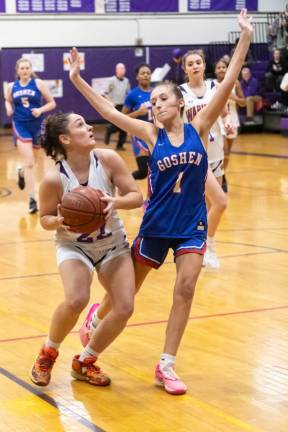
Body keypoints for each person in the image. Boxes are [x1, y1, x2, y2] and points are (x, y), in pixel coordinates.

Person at [69, 8, 253, 395]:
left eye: (161, 100)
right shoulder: (150, 134)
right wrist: (76, 79)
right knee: (124, 296)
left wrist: (246, 38)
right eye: (152, 101)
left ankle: (166, 364)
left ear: (178, 103)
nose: (155, 105)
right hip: (155, 226)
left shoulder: (199, 126)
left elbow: (230, 79)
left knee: (185, 290)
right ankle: (96, 316)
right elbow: (107, 111)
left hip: (191, 225)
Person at [30, 112, 143, 387]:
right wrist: (57, 221)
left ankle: (85, 360)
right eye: (81, 124)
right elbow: (44, 219)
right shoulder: (54, 179)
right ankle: (48, 353)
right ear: (65, 139)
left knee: (125, 306)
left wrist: (114, 202)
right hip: (74, 246)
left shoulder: (107, 160)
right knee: (76, 299)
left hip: (112, 244)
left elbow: (136, 196)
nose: (90, 126)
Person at [179, 50, 230, 268]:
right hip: (193, 152)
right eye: (190, 64)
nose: (195, 66)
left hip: (215, 148)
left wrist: (228, 123)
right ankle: (200, 245)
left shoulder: (215, 87)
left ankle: (208, 246)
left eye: (198, 62)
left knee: (214, 202)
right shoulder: (179, 92)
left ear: (203, 65)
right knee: (197, 201)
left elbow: (225, 112)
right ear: (185, 69)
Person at [4, 57, 56, 213]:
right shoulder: (11, 86)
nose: (25, 70)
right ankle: (32, 199)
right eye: (22, 68)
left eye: (27, 68)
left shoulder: (38, 84)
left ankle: (20, 171)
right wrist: (8, 108)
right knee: (30, 163)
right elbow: (7, 100)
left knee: (35, 160)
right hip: (20, 124)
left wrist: (40, 110)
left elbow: (52, 102)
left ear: (30, 70)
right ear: (18, 71)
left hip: (37, 125)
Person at [214, 58, 246, 192]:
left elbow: (243, 103)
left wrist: (234, 97)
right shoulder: (212, 85)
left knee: (227, 155)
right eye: (219, 67)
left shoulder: (235, 83)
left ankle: (223, 174)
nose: (221, 69)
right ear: (215, 71)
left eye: (223, 67)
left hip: (232, 120)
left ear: (227, 69)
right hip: (218, 121)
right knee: (223, 150)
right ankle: (219, 178)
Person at [122, 63, 152, 180]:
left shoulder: (156, 93)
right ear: (137, 77)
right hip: (139, 136)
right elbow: (122, 117)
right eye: (142, 73)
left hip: (154, 135)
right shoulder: (132, 95)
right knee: (143, 171)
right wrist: (138, 113)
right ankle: (123, 183)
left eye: (148, 73)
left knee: (157, 170)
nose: (145, 75)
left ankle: (153, 197)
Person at [103, 62, 131, 150]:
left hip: (124, 106)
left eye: (123, 68)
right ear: (116, 70)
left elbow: (129, 93)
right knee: (116, 125)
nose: (122, 70)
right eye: (120, 68)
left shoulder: (126, 81)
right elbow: (104, 93)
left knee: (124, 126)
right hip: (115, 106)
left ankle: (119, 145)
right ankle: (109, 130)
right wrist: (110, 102)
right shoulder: (112, 80)